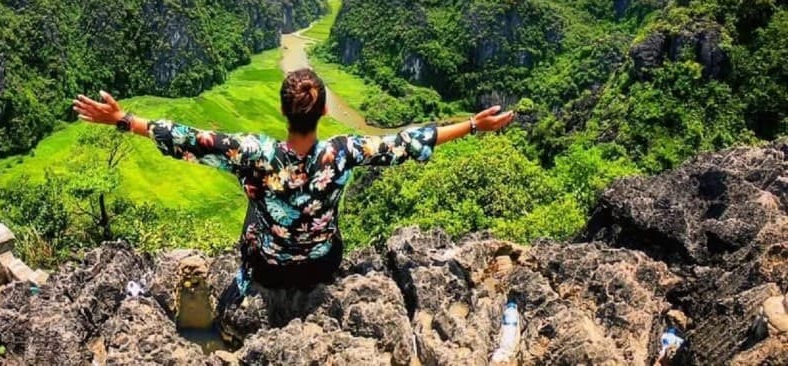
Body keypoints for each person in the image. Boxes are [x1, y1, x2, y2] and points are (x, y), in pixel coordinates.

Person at [73, 68, 514, 296]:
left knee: (255, 204)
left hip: (268, 267)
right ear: (323, 112)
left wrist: (124, 119)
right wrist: (472, 126)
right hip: (323, 263)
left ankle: (249, 283)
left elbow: (188, 138)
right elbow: (405, 141)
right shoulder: (341, 153)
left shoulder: (253, 154)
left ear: (284, 110)